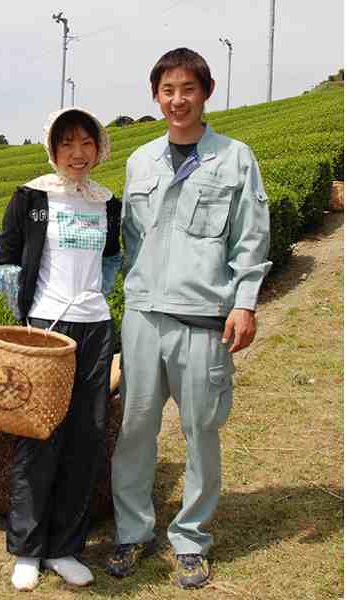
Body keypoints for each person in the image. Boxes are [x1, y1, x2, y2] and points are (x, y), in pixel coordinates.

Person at [105, 47, 271, 589]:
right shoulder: (140, 161)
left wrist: (243, 302)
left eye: (188, 89)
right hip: (145, 316)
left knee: (201, 430)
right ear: (155, 95)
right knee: (134, 429)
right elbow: (130, 238)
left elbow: (251, 238)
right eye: (168, 90)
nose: (178, 100)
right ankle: (132, 531)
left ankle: (192, 537)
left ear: (206, 92)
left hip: (203, 317)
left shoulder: (234, 157)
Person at [0, 106, 122, 591]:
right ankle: (27, 548)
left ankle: (65, 547)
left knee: (85, 439)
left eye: (86, 143)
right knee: (37, 437)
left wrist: (95, 298)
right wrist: (27, 322)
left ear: (98, 148)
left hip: (95, 326)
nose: (77, 153)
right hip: (46, 330)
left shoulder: (107, 202)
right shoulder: (32, 197)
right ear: (52, 148)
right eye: (66, 143)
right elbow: (5, 261)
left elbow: (111, 261)